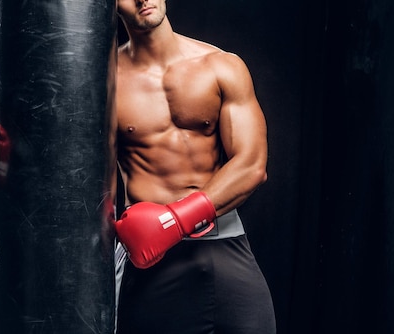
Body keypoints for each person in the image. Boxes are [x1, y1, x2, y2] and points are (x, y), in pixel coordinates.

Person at [113, 0, 277, 333]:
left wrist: (174, 221)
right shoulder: (104, 83)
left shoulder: (221, 67)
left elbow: (252, 165)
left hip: (221, 242)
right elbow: (76, 176)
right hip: (145, 258)